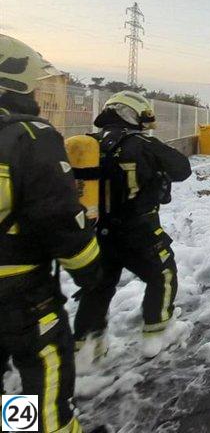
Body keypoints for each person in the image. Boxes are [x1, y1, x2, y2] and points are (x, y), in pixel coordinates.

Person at [0, 34, 103, 433]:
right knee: (43, 370)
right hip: (18, 291)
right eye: (32, 84)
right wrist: (91, 268)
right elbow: (57, 217)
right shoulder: (30, 137)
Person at [74, 91, 191, 359]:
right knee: (162, 273)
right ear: (131, 114)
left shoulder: (88, 145)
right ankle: (157, 332)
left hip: (97, 233)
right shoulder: (142, 145)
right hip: (138, 231)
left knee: (98, 286)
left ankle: (86, 348)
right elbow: (182, 168)